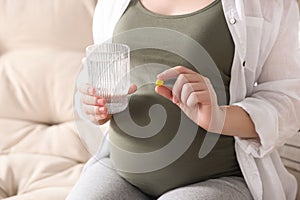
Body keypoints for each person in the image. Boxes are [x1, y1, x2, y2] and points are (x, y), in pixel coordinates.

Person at [67, 0, 300, 199]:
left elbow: (289, 100)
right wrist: (95, 106)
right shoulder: (113, 4)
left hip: (216, 179)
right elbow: (97, 72)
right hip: (119, 170)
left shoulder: (266, 4)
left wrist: (218, 117)